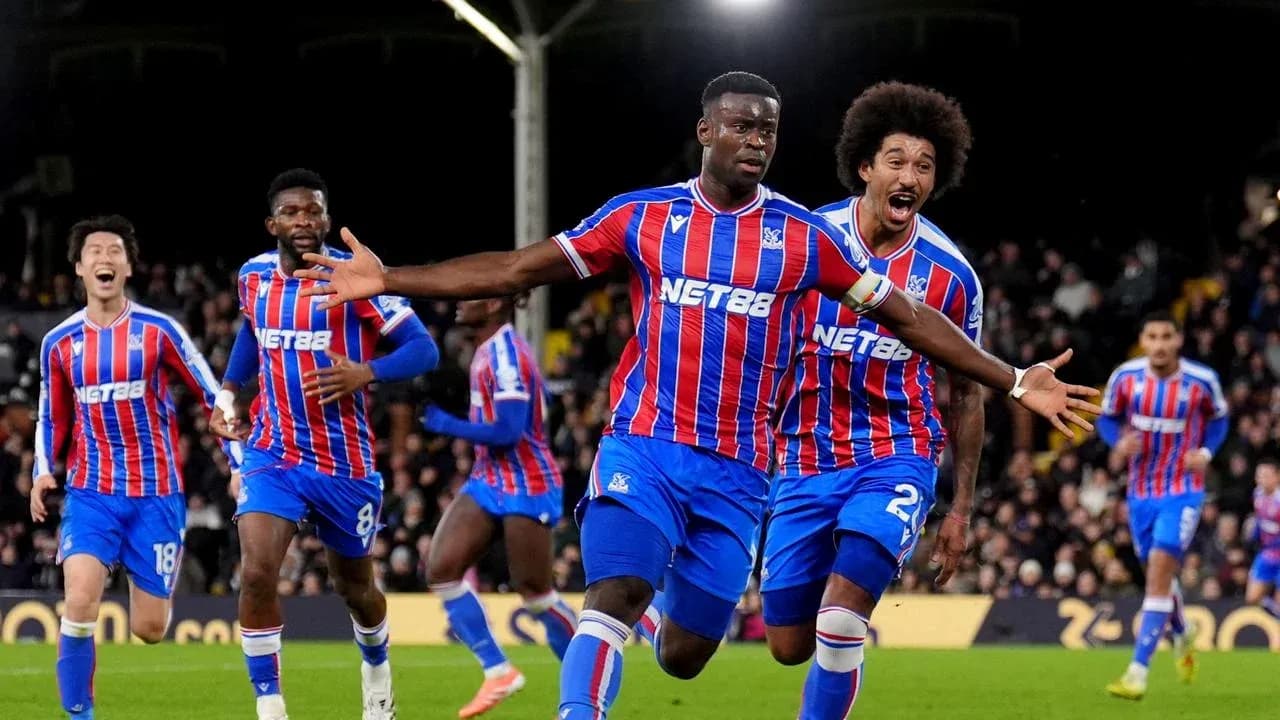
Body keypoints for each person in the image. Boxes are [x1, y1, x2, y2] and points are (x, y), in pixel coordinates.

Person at [291, 72, 1099, 719]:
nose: (756, 140)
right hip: (644, 445)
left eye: (768, 130)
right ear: (706, 130)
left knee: (687, 654)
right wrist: (391, 279)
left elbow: (910, 318)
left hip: (741, 475)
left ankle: (669, 602)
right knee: (614, 594)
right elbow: (514, 267)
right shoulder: (642, 218)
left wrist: (1012, 377)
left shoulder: (804, 239)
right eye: (741, 126)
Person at [759, 81, 983, 719]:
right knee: (788, 644)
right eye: (897, 161)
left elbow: (967, 394)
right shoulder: (808, 241)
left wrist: (961, 509)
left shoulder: (951, 275)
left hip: (897, 455)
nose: (910, 176)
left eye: (925, 166)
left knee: (840, 617)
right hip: (804, 460)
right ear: (864, 166)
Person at [209, 169, 439, 720]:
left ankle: (377, 668)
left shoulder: (354, 278)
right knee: (257, 572)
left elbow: (424, 349)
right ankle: (270, 706)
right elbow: (252, 330)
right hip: (273, 453)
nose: (304, 220)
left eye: (313, 211)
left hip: (345, 464)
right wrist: (228, 393)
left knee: (355, 589)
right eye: (291, 212)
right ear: (272, 224)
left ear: (328, 220)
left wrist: (367, 372)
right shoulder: (253, 278)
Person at [30, 215, 241, 719]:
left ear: (128, 266)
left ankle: (138, 572)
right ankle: (79, 714)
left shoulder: (159, 331)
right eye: (95, 251)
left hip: (155, 495)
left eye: (115, 251)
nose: (104, 258)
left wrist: (238, 463)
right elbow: (51, 413)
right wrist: (42, 469)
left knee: (149, 629)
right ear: (79, 267)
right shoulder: (59, 341)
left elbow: (213, 395)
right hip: (91, 492)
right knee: (79, 600)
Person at [420, 293, 577, 717]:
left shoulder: (507, 354)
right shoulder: (486, 349)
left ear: (493, 305)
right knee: (441, 569)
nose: (459, 301)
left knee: (536, 594)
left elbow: (508, 431)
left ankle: (587, 674)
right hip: (489, 479)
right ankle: (498, 671)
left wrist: (447, 424)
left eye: (472, 295)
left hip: (528, 483)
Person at [1096, 310, 1228, 700]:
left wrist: (1206, 452)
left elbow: (1219, 420)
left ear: (1178, 340)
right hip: (1140, 494)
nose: (1159, 345)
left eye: (1166, 336)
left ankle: (1137, 673)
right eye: (1152, 337)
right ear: (1143, 340)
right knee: (1159, 577)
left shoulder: (1201, 381)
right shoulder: (1125, 377)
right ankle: (1183, 632)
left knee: (1158, 572)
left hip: (1183, 490)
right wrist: (1118, 441)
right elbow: (1107, 418)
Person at [1245, 459, 1280, 618]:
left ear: (1277, 477)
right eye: (1259, 476)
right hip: (1267, 552)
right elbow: (1260, 519)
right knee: (1252, 598)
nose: (1261, 479)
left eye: (1266, 475)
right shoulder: (1257, 494)